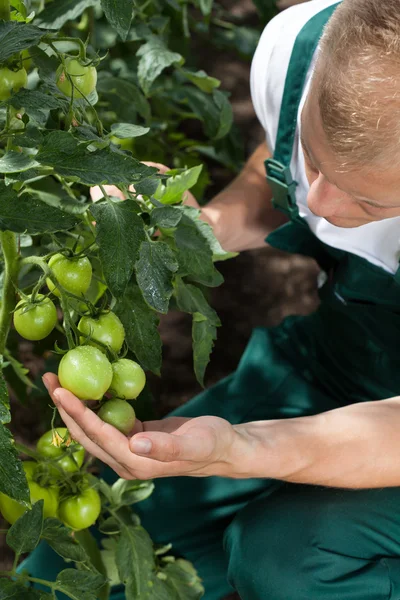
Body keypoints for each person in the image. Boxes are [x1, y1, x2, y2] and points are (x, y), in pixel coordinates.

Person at [22, 0, 400, 598]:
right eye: (313, 155)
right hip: (338, 360)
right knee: (59, 580)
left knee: (288, 560)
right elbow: (271, 180)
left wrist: (242, 448)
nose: (321, 203)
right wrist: (201, 228)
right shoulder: (301, 46)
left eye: (369, 203)